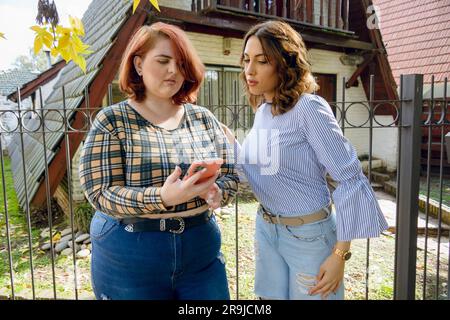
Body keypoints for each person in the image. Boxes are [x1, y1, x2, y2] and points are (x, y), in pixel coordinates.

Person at [221, 20, 388, 300]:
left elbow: (349, 178)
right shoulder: (263, 110)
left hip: (309, 235)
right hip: (266, 228)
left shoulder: (309, 108)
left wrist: (339, 254)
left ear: (285, 64)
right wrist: (229, 144)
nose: (249, 70)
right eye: (246, 60)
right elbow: (255, 170)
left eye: (262, 61)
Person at [79, 22, 238, 300]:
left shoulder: (203, 118)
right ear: (138, 65)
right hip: (131, 254)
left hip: (200, 250)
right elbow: (100, 192)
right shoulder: (112, 121)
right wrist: (163, 197)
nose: (173, 71)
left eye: (180, 63)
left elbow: (230, 173)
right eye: (163, 61)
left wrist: (218, 191)